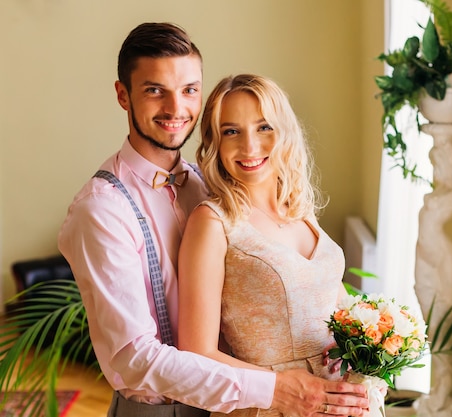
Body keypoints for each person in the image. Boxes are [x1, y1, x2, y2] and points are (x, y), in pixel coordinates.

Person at [57, 23, 368, 417]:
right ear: (123, 95)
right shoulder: (102, 210)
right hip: (163, 411)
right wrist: (275, 389)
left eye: (188, 90)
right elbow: (136, 357)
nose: (175, 108)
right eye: (155, 90)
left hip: (236, 405)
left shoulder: (214, 183)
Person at [177, 73, 353, 417]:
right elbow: (196, 353)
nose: (250, 147)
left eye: (263, 127)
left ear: (284, 131)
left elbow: (329, 299)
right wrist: (286, 388)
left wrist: (379, 344)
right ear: (215, 143)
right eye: (231, 132)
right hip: (272, 408)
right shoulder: (213, 223)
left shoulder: (300, 207)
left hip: (339, 402)